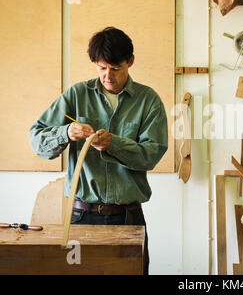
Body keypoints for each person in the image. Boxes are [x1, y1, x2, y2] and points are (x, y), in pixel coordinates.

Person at [29, 27, 168, 275]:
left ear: (130, 62)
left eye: (115, 69)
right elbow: (37, 139)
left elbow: (152, 154)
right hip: (82, 216)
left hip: (128, 217)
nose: (108, 76)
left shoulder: (148, 100)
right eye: (101, 68)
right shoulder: (77, 94)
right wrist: (65, 133)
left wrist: (114, 144)